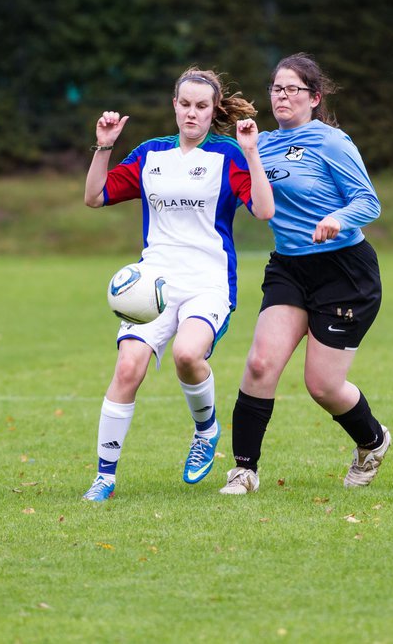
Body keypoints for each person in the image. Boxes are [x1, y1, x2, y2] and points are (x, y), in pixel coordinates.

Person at [82, 67, 274, 501]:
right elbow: (94, 197)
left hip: (207, 283)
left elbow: (264, 211)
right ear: (174, 105)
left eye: (201, 106)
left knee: (188, 355)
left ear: (213, 110)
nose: (192, 113)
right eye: (184, 104)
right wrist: (105, 147)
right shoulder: (151, 155)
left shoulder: (228, 155)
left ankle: (205, 430)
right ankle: (105, 476)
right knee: (128, 366)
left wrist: (253, 152)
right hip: (155, 283)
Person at [221, 52, 389, 495]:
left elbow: (369, 203)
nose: (282, 96)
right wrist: (249, 151)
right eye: (276, 88)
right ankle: (243, 470)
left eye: (292, 89)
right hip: (289, 267)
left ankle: (372, 441)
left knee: (322, 385)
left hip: (344, 271)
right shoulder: (263, 143)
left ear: (314, 98)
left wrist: (339, 218)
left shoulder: (332, 142)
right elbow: (256, 201)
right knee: (260, 363)